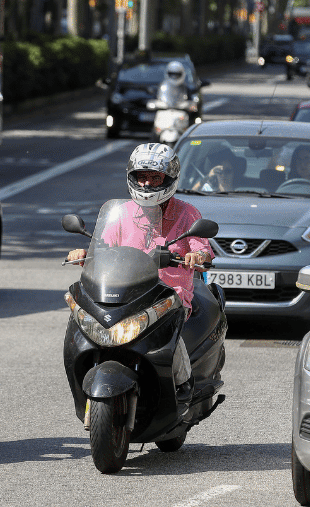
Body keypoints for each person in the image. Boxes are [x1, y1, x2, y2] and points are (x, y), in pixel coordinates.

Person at [67, 143, 212, 398]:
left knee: (170, 328)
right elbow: (102, 247)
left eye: (154, 177)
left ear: (169, 179)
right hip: (127, 291)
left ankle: (183, 384)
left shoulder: (187, 213)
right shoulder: (121, 213)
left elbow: (203, 250)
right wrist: (84, 254)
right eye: (141, 177)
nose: (146, 184)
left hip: (169, 293)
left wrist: (196, 255)